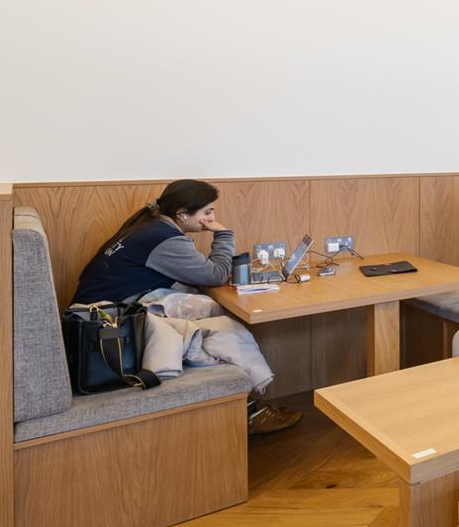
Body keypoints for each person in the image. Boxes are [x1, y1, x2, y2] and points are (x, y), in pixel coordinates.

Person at [72, 180, 299, 434]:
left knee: (208, 309)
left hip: (99, 316)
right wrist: (224, 234)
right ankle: (249, 411)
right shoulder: (165, 239)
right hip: (112, 324)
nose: (212, 218)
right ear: (181, 214)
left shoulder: (149, 227)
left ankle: (249, 404)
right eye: (207, 212)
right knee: (223, 327)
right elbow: (216, 275)